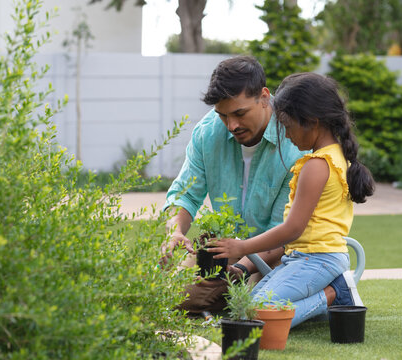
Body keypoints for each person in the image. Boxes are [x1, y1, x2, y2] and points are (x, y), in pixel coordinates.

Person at [208, 72, 375, 326]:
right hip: (307, 258)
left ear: (311, 121)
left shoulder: (317, 165)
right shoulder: (335, 156)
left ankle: (335, 294)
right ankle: (331, 295)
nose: (286, 135)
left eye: (287, 126)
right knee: (246, 309)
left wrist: (241, 247)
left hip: (319, 259)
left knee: (253, 315)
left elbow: (292, 229)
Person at [160, 56, 305, 312]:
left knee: (250, 307)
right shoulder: (207, 133)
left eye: (239, 113)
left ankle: (332, 290)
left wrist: (239, 269)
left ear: (263, 96)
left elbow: (284, 234)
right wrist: (175, 231)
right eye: (223, 116)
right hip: (225, 254)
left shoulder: (294, 144)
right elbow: (185, 195)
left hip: (275, 257)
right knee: (163, 294)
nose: (232, 126)